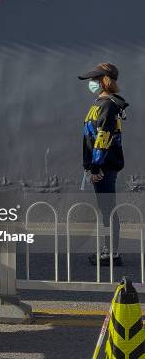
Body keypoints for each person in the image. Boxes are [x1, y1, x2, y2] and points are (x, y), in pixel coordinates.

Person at [79, 63, 128, 266]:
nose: (91, 83)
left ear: (104, 81)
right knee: (105, 209)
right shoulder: (101, 103)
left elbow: (104, 136)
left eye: (94, 80)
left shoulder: (107, 105)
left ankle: (111, 253)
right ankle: (109, 250)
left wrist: (96, 166)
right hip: (99, 164)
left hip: (104, 167)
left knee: (108, 209)